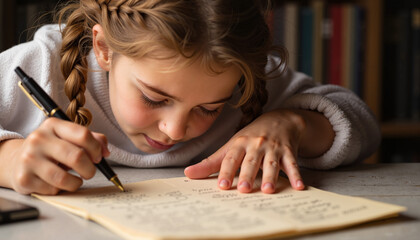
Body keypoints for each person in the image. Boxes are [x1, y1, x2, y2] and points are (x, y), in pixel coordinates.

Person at [0, 0, 380, 195]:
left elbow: (361, 124)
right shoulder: (44, 62)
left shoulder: (245, 83)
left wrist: (292, 123)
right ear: (104, 49)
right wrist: (9, 158)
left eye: (209, 108)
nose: (175, 130)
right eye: (153, 98)